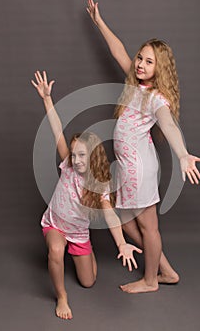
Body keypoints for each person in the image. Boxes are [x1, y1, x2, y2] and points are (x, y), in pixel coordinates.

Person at [86, 0, 200, 293]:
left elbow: (168, 125)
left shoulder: (156, 99)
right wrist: (99, 21)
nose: (140, 64)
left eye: (148, 61)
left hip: (140, 170)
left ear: (160, 68)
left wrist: (182, 155)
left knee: (148, 227)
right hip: (129, 169)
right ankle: (165, 270)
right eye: (140, 57)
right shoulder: (135, 85)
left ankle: (151, 280)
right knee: (126, 219)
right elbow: (118, 52)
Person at [31, 70, 142, 319]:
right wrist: (47, 99)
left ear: (93, 156)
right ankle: (61, 297)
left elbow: (111, 215)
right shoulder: (68, 165)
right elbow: (57, 130)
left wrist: (122, 243)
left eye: (83, 155)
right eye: (74, 154)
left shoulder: (99, 184)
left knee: (88, 282)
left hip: (78, 232)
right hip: (55, 225)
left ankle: (84, 250)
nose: (77, 160)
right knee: (56, 252)